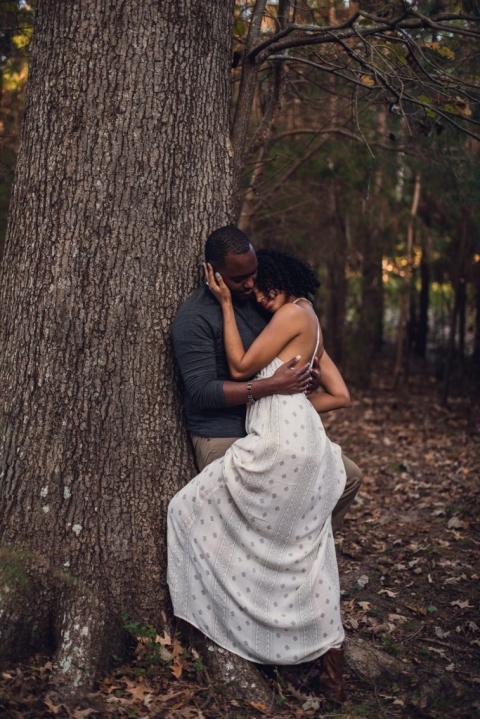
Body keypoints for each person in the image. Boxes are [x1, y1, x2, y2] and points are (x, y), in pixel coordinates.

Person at [168, 247, 349, 702]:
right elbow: (340, 394)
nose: (258, 298)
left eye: (263, 288)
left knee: (185, 508)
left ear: (279, 280)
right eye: (251, 290)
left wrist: (228, 305)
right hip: (307, 441)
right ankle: (330, 669)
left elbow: (241, 368)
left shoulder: (289, 315)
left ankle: (244, 622)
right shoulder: (307, 317)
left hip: (279, 443)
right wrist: (291, 403)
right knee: (308, 549)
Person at [172, 226, 361, 534]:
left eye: (254, 274)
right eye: (239, 279)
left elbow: (300, 356)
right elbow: (201, 393)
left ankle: (296, 555)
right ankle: (259, 566)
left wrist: (304, 379)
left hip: (271, 427)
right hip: (222, 432)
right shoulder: (195, 318)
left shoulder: (266, 305)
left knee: (346, 477)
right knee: (255, 516)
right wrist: (271, 386)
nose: (250, 285)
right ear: (215, 274)